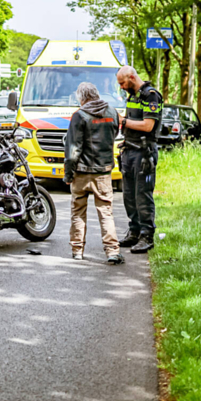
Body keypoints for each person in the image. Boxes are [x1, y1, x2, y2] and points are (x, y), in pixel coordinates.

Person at [63, 82, 124, 265]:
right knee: (106, 212)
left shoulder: (79, 116)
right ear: (96, 94)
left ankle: (77, 251)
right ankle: (112, 252)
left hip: (81, 173)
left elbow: (72, 149)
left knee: (78, 212)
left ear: (82, 98)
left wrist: (68, 174)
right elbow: (113, 135)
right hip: (103, 172)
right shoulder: (112, 112)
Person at [116, 65, 163, 253]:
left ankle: (146, 235)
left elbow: (147, 126)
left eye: (122, 83)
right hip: (129, 150)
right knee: (129, 195)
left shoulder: (151, 96)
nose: (121, 87)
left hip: (144, 152)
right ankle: (134, 231)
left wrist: (123, 121)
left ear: (132, 78)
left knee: (142, 195)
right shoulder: (133, 96)